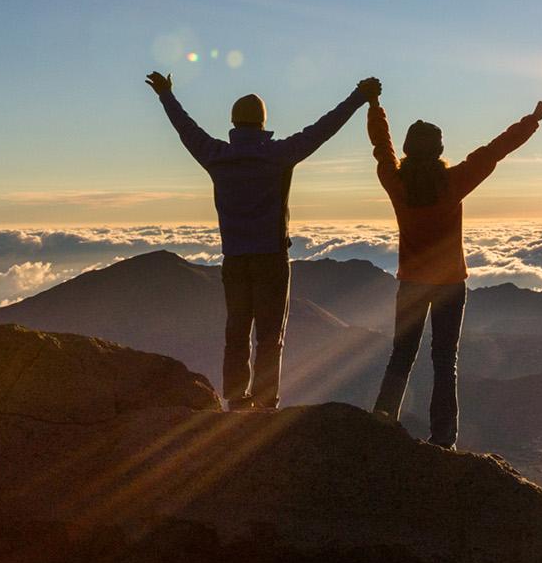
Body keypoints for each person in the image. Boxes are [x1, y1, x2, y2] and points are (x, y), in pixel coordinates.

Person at [147, 70, 380, 411]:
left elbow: (186, 128)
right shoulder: (279, 154)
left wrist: (166, 94)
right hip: (271, 259)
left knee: (236, 331)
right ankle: (266, 399)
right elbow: (323, 128)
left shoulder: (216, 155)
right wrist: (358, 97)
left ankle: (237, 399)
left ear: (233, 122)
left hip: (235, 260)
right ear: (262, 123)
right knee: (271, 337)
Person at [368, 96, 542, 447]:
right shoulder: (453, 183)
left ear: (408, 149)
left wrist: (375, 106)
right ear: (439, 150)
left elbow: (381, 146)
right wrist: (534, 118)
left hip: (411, 283)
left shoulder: (396, 183)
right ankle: (444, 437)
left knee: (402, 354)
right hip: (450, 284)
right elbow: (496, 149)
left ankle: (382, 420)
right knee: (444, 359)